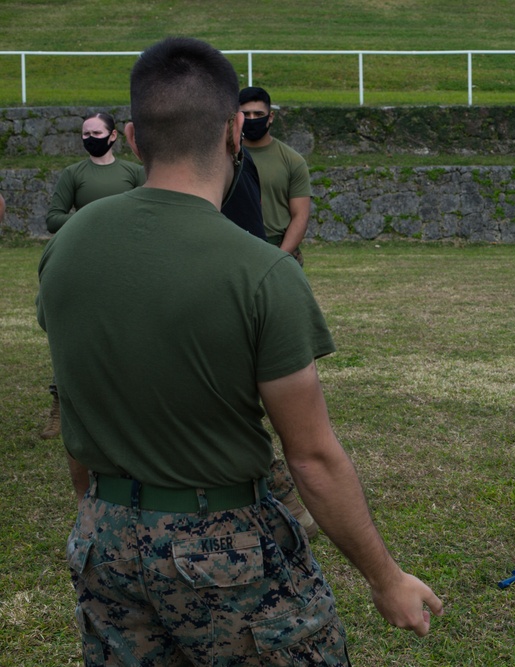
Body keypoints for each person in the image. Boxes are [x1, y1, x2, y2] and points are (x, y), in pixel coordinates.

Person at [37, 37, 442, 666]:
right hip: (221, 549)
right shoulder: (263, 273)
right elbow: (311, 457)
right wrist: (386, 580)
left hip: (102, 536)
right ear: (234, 130)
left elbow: (77, 400)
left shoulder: (66, 248)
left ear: (134, 137)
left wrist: (101, 518)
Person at [41, 112, 145, 440]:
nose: (90, 138)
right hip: (84, 262)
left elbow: (149, 210)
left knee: (127, 333)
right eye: (85, 133)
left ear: (113, 136)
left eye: (96, 132)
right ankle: (61, 406)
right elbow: (54, 218)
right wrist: (91, 220)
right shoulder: (73, 174)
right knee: (75, 332)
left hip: (127, 264)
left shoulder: (134, 173)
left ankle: (126, 407)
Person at [238, 85, 312, 265]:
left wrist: (279, 258)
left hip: (278, 249)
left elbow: (300, 216)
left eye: (258, 114)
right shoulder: (221, 158)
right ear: (236, 118)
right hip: (235, 249)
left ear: (270, 117)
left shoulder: (292, 161)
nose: (252, 119)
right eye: (246, 115)